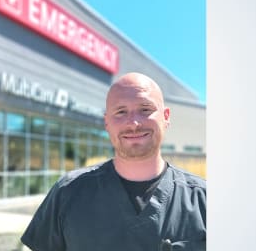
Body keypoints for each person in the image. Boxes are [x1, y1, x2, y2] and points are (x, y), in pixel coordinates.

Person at [21, 72, 206, 251]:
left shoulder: (204, 200)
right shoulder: (68, 192)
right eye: (121, 111)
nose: (133, 123)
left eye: (145, 109)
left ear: (166, 117)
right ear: (107, 123)